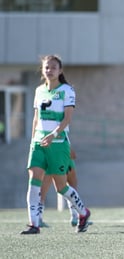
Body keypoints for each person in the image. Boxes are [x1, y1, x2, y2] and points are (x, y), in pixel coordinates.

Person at [21, 55, 91, 234]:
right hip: (38, 143)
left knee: (61, 187)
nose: (49, 70)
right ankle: (33, 224)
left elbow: (67, 119)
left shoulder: (67, 90)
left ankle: (83, 213)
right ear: (42, 70)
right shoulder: (38, 91)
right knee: (33, 183)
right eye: (46, 67)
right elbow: (36, 119)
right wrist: (32, 141)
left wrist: (53, 135)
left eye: (53, 67)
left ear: (60, 70)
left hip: (58, 143)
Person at [39, 149, 91, 228]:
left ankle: (37, 218)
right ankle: (75, 216)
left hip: (49, 153)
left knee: (46, 189)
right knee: (65, 186)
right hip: (59, 152)